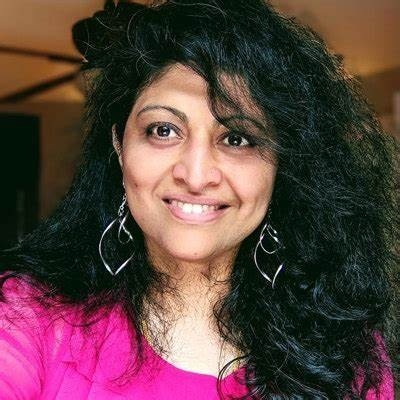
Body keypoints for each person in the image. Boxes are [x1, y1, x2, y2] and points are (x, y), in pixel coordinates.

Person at [0, 0, 398, 398]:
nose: (195, 175)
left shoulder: (347, 354)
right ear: (119, 145)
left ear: (282, 164)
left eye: (237, 138)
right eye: (163, 130)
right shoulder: (26, 316)